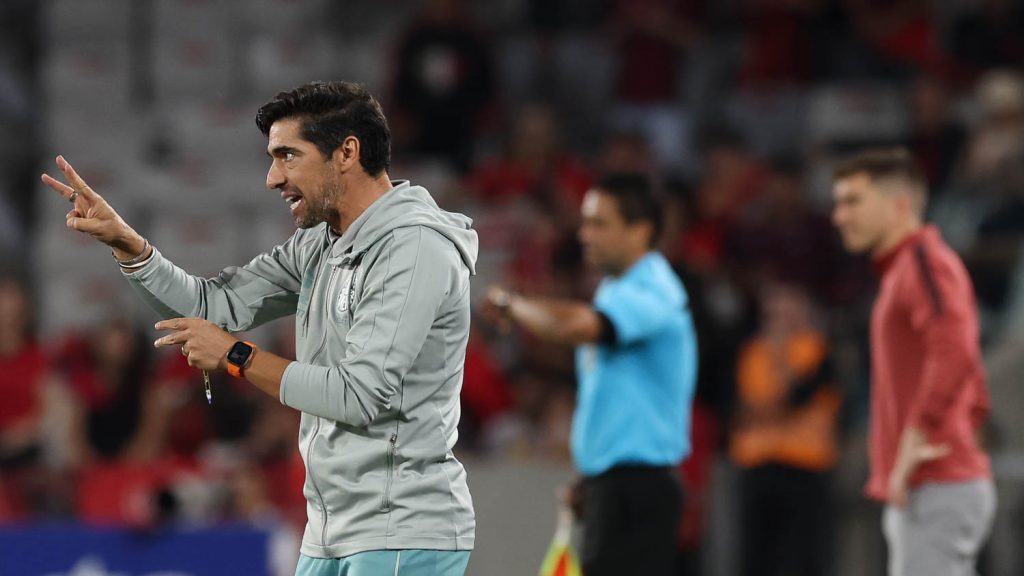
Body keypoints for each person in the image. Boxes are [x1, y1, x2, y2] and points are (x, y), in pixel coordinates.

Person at [42, 81, 477, 575]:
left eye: (288, 155)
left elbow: (360, 395)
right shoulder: (320, 242)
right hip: (331, 531)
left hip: (401, 529)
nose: (273, 178)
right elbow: (216, 305)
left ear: (347, 152)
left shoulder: (415, 248)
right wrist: (129, 246)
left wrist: (236, 356)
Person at [486, 173, 697, 576]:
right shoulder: (616, 291)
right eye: (585, 222)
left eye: (599, 223)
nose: (585, 234)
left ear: (641, 230)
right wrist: (592, 478)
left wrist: (515, 307)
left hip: (638, 490)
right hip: (615, 484)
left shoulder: (655, 288)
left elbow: (575, 327)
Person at [831, 148, 995, 576]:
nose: (839, 216)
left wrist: (915, 437)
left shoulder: (923, 263)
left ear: (899, 205)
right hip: (933, 482)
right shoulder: (909, 268)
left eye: (853, 201)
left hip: (937, 481)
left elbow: (956, 349)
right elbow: (965, 362)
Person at [729, 282, 841, 576]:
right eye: (772, 312)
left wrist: (780, 356)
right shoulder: (751, 352)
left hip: (804, 467)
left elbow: (795, 399)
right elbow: (741, 408)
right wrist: (770, 410)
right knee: (756, 558)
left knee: (802, 559)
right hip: (757, 466)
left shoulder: (819, 352)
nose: (778, 319)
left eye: (785, 311)